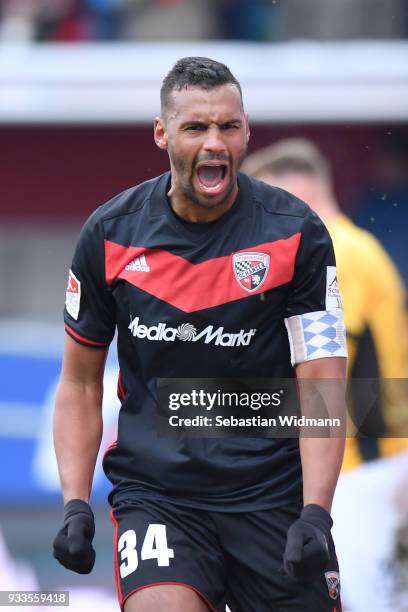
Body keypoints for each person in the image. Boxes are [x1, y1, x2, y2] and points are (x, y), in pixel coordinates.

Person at [52, 58, 347, 612]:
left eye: (228, 127)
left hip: (273, 497)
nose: (215, 142)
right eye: (196, 127)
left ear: (246, 131)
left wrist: (316, 511)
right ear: (163, 133)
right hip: (160, 496)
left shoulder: (298, 234)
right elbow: (80, 383)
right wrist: (74, 503)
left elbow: (322, 383)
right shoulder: (110, 235)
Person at [242, 137, 408, 610]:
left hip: (361, 475)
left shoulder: (341, 251)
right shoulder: (357, 248)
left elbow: (322, 378)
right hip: (366, 468)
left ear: (299, 195)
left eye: (269, 204)